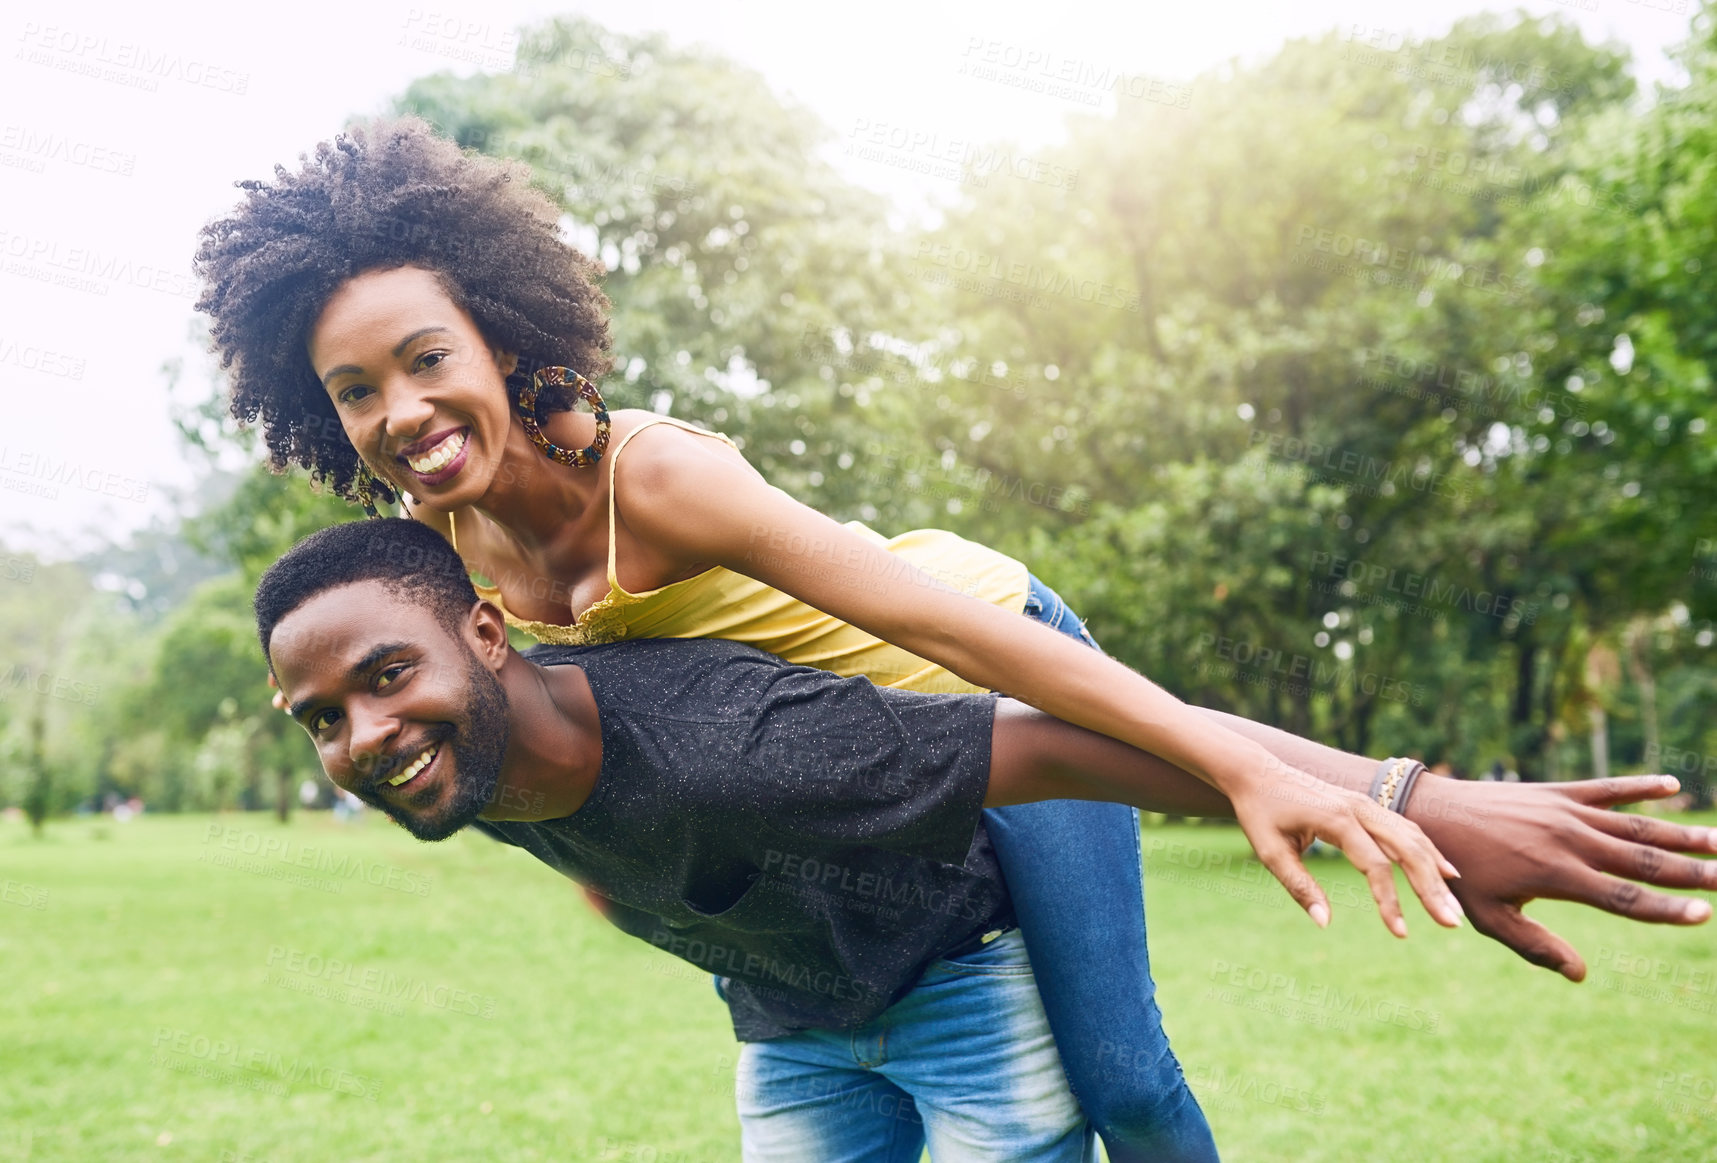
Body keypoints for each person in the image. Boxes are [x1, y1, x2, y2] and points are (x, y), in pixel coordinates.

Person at [197, 117, 1700, 1158]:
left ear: (499, 343)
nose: (399, 412)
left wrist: (1321, 781)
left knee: (1121, 1076)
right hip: (872, 756)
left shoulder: (650, 477)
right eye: (354, 391)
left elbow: (962, 646)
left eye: (423, 361)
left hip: (981, 657)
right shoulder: (444, 572)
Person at [256, 519, 1717, 1159]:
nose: (363, 738)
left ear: (489, 640)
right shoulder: (474, 744)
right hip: (807, 1007)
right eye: (318, 720)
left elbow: (1077, 740)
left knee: (1127, 1084)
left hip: (998, 682)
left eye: (385, 682)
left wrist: (1396, 801)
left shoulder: (732, 727)